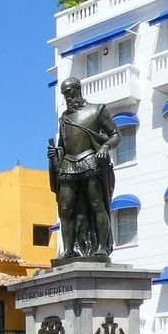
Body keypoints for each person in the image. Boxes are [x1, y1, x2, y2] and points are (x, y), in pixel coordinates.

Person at [48, 76, 120, 259]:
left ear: (78, 89)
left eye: (69, 92)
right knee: (65, 209)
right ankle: (69, 250)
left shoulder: (97, 110)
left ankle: (102, 247)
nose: (67, 97)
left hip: (90, 161)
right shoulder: (64, 118)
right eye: (64, 94)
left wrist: (105, 147)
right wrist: (54, 154)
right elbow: (62, 145)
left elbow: (115, 135)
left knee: (97, 204)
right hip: (68, 164)